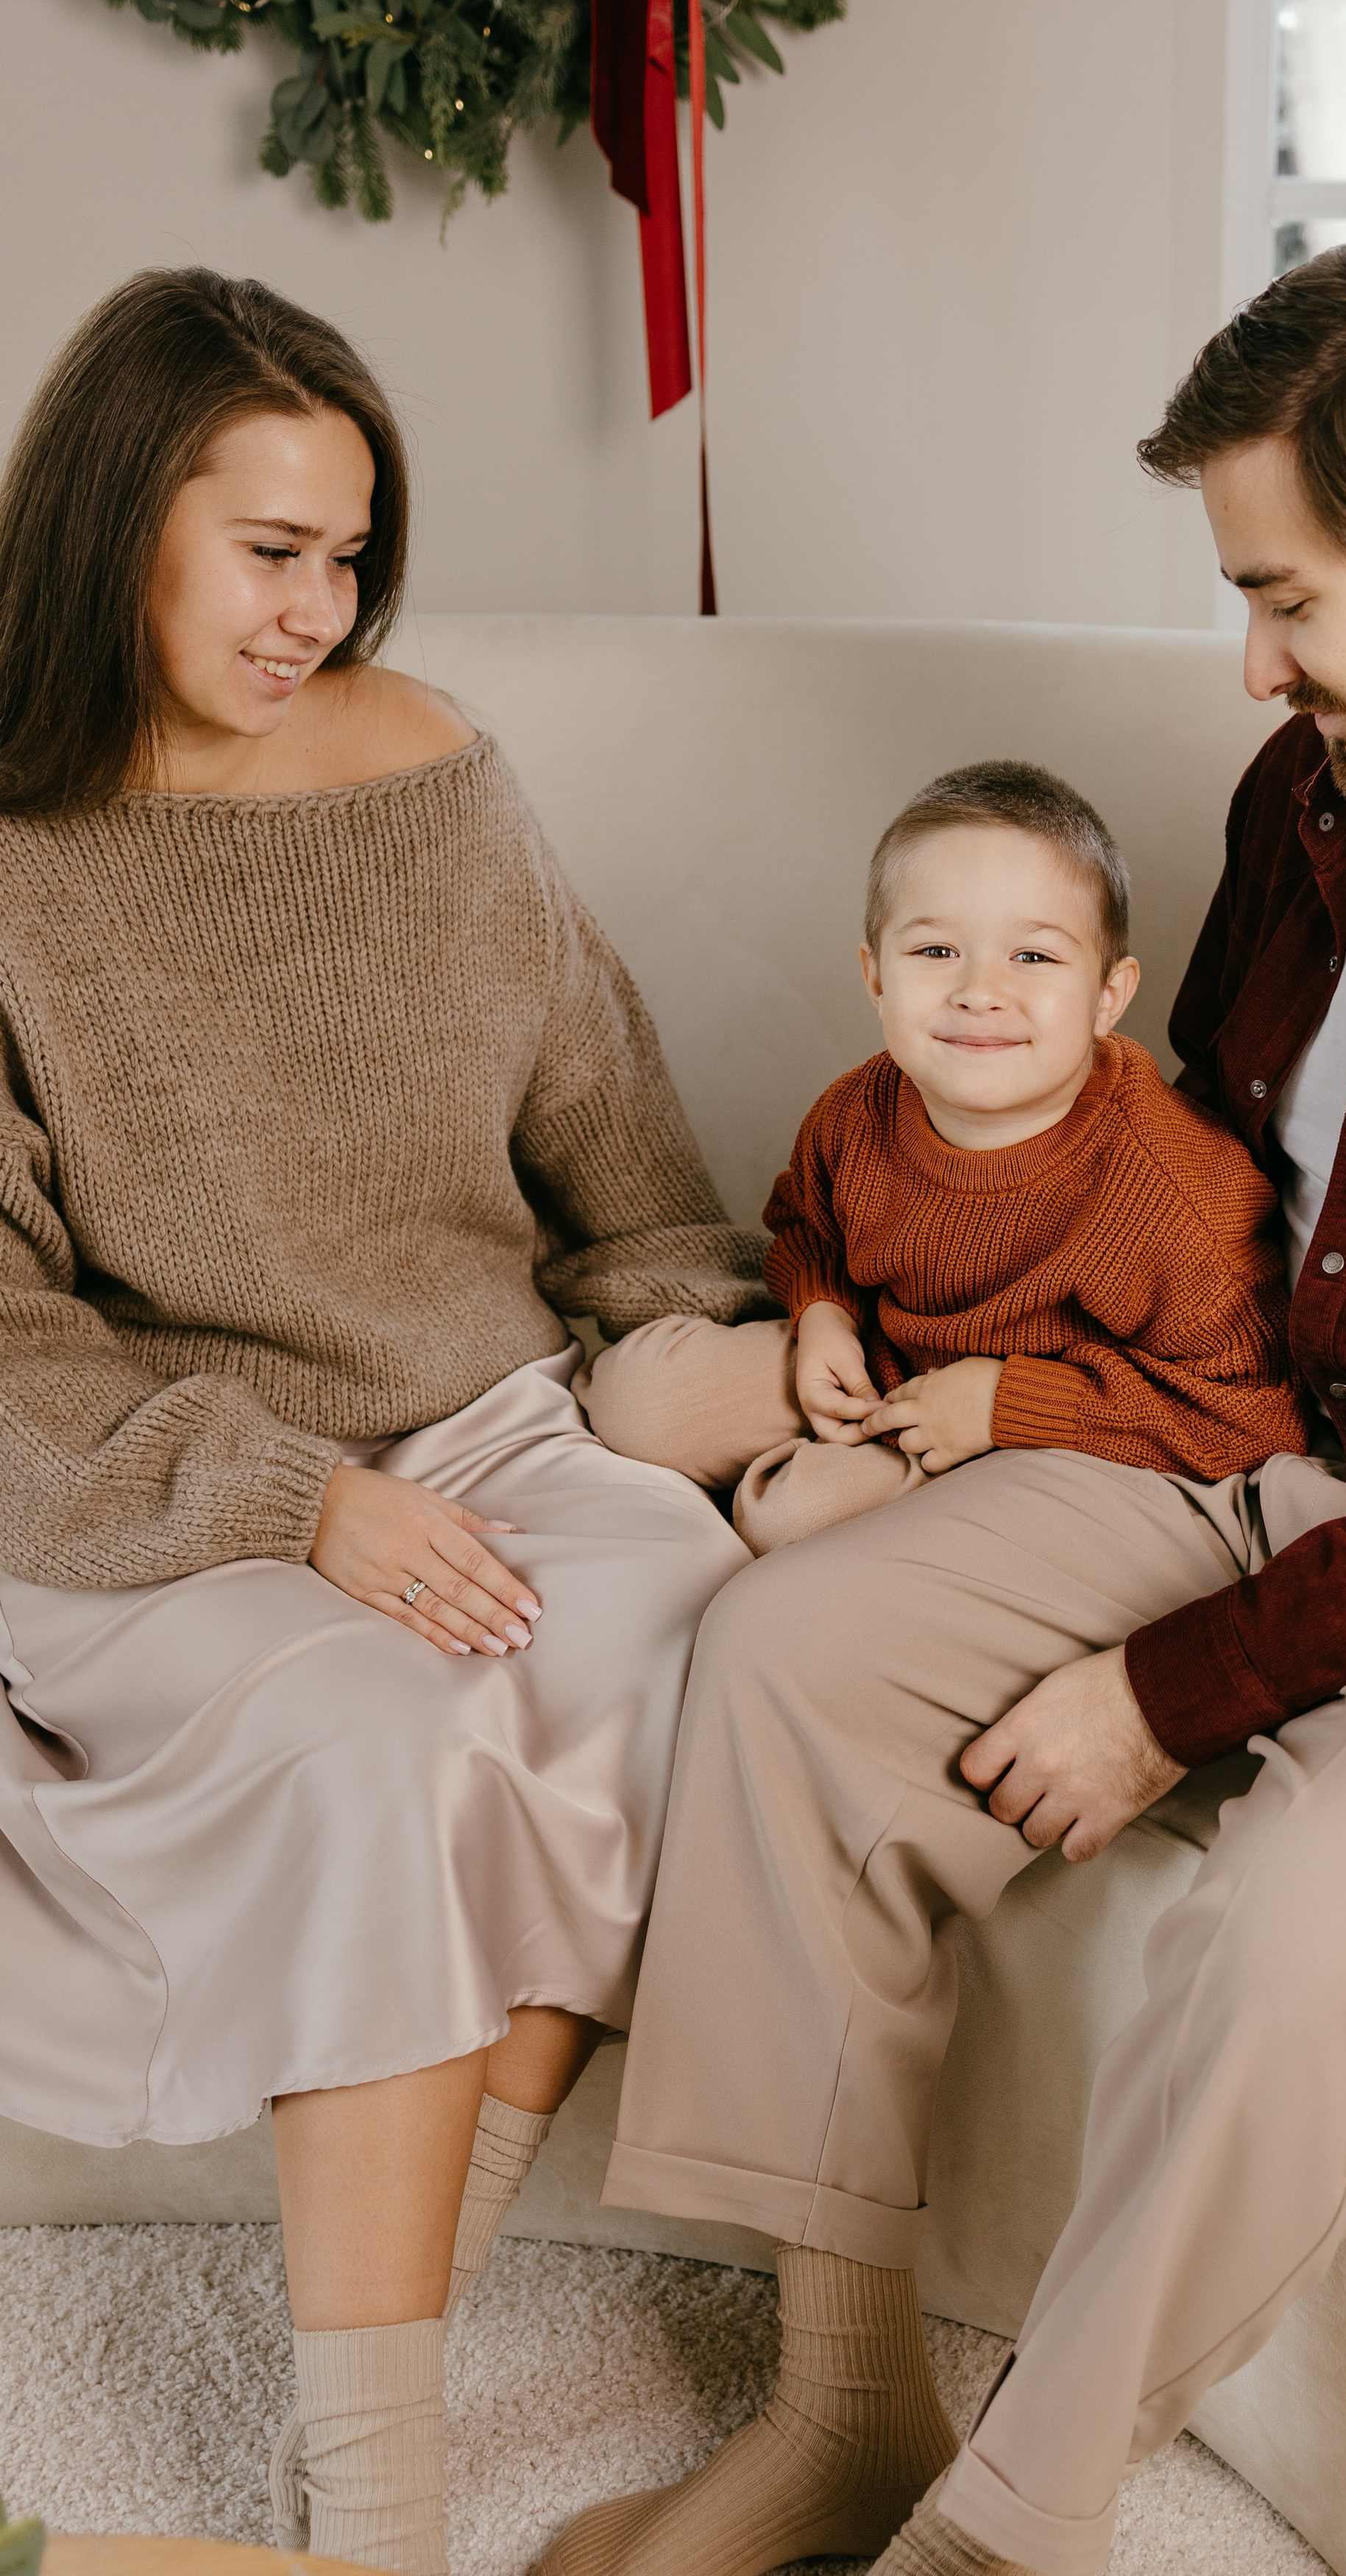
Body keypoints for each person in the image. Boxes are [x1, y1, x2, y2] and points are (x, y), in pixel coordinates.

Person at [538, 233, 1346, 2576]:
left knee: (1293, 1937)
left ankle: (1005, 2531)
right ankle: (837, 2410)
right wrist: (936, 1353)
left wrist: (1177, 1685)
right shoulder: (1319, 795)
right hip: (1252, 1441)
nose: (1253, 662)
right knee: (780, 1656)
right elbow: (1189, 1187)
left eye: (1284, 599)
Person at [0, 269, 771, 2576]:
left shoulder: (431, 769)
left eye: (346, 557)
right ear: (119, 519)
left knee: (699, 1625)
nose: (315, 611)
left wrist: (696, 1386)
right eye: (268, 550)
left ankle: (360, 2416)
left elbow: (629, 1166)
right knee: (384, 1732)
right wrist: (292, 1500)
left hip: (486, 1425)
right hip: (147, 1476)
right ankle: (390, 2517)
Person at [583, 759, 1306, 1548]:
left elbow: (1259, 1415)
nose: (978, 992)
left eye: (1033, 957)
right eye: (934, 951)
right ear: (876, 979)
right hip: (884, 1362)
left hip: (1052, 1429)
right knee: (633, 1398)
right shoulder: (859, 1109)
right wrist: (822, 1313)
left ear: (1108, 996)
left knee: (788, 1516)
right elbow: (812, 1227)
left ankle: (874, 1495)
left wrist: (1007, 1407)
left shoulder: (1173, 1191)